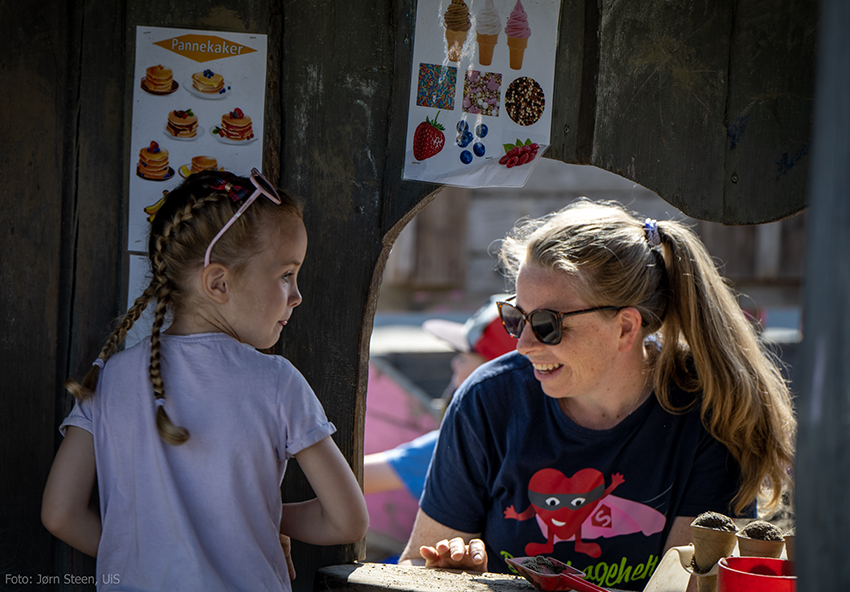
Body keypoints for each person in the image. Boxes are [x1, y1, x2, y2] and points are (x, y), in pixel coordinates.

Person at [398, 199, 795, 592]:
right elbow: (415, 563)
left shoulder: (710, 414)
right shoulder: (487, 401)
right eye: (516, 317)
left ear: (625, 327)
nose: (523, 344)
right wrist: (448, 572)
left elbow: (688, 586)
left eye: (547, 324)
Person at [42, 168, 369, 591]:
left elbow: (60, 514)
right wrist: (258, 515)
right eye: (286, 274)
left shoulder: (109, 378)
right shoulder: (277, 382)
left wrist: (150, 559)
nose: (297, 295)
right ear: (218, 282)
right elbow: (347, 521)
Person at [364, 296, 516, 499]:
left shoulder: (461, 446)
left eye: (463, 356)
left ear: (492, 371)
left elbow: (362, 476)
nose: (455, 364)